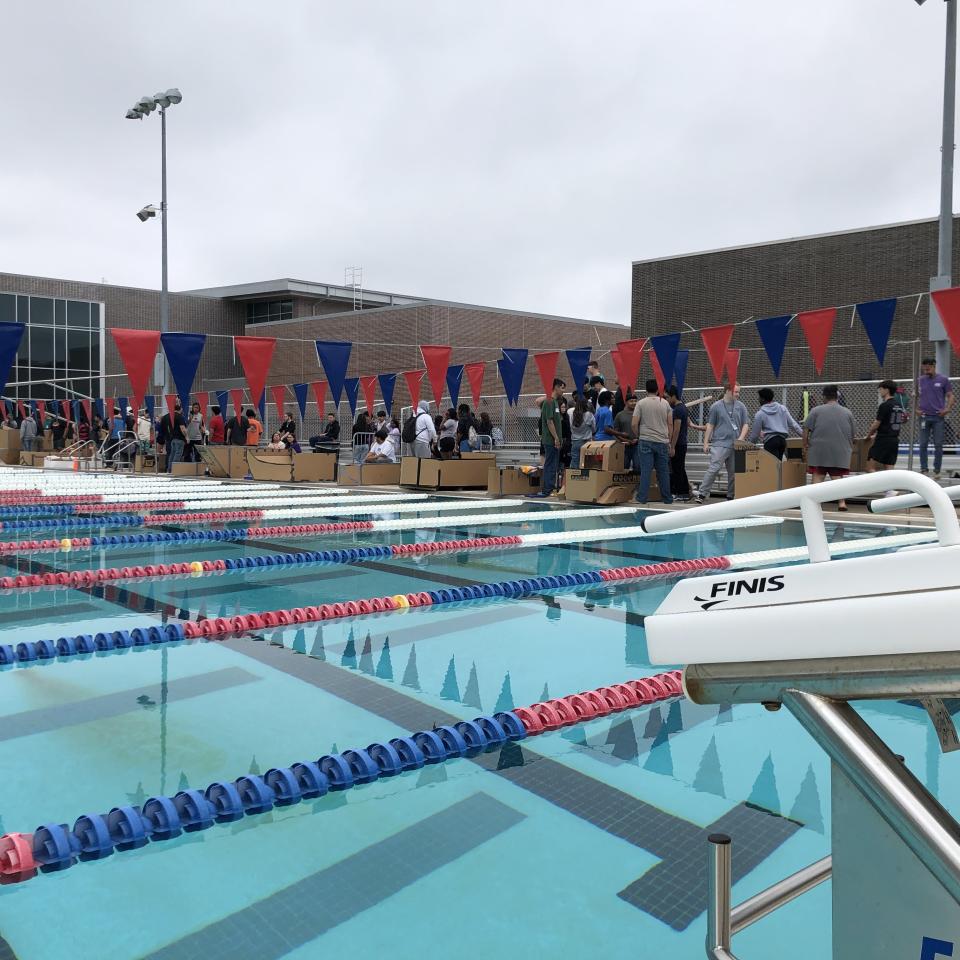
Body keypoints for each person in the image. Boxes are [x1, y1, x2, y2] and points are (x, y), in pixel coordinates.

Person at [694, 382, 750, 504]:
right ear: (727, 391)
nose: (738, 394)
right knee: (714, 468)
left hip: (736, 444)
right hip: (719, 443)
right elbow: (710, 425)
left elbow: (746, 424)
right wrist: (705, 443)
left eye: (738, 391)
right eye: (736, 392)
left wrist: (741, 438)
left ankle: (731, 496)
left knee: (735, 472)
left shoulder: (741, 406)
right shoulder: (716, 406)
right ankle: (702, 494)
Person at [803, 384, 856, 511]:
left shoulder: (815, 411)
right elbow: (853, 434)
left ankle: (815, 503)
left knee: (818, 476)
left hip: (819, 449)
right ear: (837, 396)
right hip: (840, 450)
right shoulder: (847, 412)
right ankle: (842, 503)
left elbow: (806, 430)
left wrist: (804, 445)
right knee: (837, 478)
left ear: (824, 396)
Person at [633, 379, 673, 504]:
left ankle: (642, 497)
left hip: (645, 439)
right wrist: (669, 440)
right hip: (662, 440)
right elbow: (670, 423)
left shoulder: (641, 403)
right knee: (663, 471)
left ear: (646, 389)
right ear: (658, 389)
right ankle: (667, 498)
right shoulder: (665, 403)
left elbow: (634, 423)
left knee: (646, 470)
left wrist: (638, 435)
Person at [866, 379, 906, 491]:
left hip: (883, 439)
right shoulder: (898, 405)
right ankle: (890, 491)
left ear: (886, 390)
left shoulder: (884, 406)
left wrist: (869, 435)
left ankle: (885, 489)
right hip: (894, 439)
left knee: (870, 466)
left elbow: (876, 423)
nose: (880, 391)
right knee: (889, 467)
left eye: (881, 389)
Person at [917, 357, 954, 478]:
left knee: (938, 444)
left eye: (928, 366)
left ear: (934, 366)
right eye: (924, 367)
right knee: (923, 444)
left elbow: (950, 396)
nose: (926, 369)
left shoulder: (943, 380)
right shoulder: (920, 380)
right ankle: (924, 469)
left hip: (938, 417)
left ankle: (937, 470)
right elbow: (915, 396)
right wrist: (916, 409)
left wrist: (947, 409)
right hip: (924, 417)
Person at [532, 377, 565, 498]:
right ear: (556, 387)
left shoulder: (555, 402)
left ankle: (550, 488)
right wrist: (556, 438)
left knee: (553, 465)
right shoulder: (549, 402)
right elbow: (549, 421)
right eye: (562, 388)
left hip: (555, 440)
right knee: (550, 464)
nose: (563, 391)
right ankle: (547, 489)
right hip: (550, 440)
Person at [748, 387, 802, 459]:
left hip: (770, 442)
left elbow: (755, 434)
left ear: (763, 399)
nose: (758, 400)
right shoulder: (782, 408)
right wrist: (804, 436)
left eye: (759, 398)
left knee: (772, 467)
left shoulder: (760, 414)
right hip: (782, 441)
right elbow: (793, 424)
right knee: (779, 464)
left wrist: (749, 446)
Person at [666, 386, 691, 501]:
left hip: (679, 443)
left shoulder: (678, 410)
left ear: (673, 396)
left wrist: (672, 446)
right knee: (680, 468)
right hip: (682, 442)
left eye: (667, 397)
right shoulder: (683, 408)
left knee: (677, 469)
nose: (666, 400)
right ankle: (684, 491)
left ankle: (681, 492)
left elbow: (676, 430)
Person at [610, 393, 639, 472]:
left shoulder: (639, 414)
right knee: (623, 467)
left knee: (638, 466)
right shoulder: (620, 415)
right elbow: (615, 431)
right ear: (626, 402)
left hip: (637, 445)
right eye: (631, 401)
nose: (634, 403)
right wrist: (625, 440)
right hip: (624, 446)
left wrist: (637, 439)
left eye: (635, 401)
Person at [568, 394, 595, 469]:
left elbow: (569, 426)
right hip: (587, 442)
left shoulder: (570, 412)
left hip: (575, 441)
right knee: (587, 462)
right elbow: (594, 428)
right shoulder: (589, 414)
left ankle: (574, 477)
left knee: (575, 461)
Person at [159, 401, 188, 472]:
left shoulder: (165, 417)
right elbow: (183, 429)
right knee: (178, 454)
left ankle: (169, 469)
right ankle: (174, 469)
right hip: (179, 438)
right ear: (180, 409)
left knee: (171, 454)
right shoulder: (179, 416)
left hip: (171, 439)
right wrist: (187, 437)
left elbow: (161, 429)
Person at [558, 397, 572, 469]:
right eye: (562, 407)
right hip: (558, 440)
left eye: (564, 407)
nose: (564, 409)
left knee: (566, 460)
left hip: (565, 441)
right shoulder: (556, 417)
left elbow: (568, 430)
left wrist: (568, 441)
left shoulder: (566, 416)